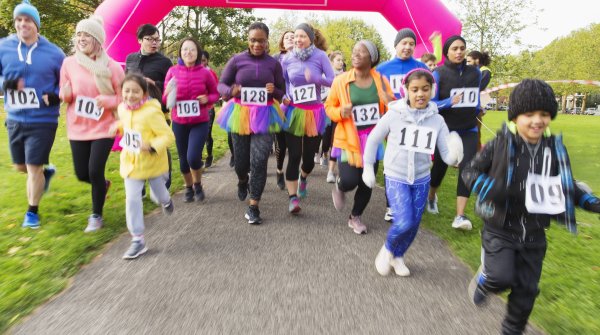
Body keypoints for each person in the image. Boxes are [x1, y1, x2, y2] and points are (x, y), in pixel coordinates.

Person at [461, 79, 600, 334]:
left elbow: (565, 184)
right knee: (500, 277)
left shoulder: (555, 150)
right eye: (530, 114)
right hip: (500, 227)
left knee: (527, 290)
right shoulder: (499, 144)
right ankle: (486, 280)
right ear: (515, 116)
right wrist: (490, 188)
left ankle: (512, 329)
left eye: (544, 114)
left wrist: (588, 201)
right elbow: (469, 171)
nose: (537, 120)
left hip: (535, 234)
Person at [362, 69, 463, 275]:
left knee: (414, 224)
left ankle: (398, 256)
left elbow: (445, 154)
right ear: (406, 91)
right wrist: (367, 168)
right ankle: (387, 250)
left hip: (421, 178)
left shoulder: (437, 120)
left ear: (432, 91)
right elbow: (373, 140)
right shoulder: (394, 115)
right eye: (415, 89)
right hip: (396, 175)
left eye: (425, 89)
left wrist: (454, 154)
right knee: (404, 220)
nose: (420, 94)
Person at [1, 0, 65, 229]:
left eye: (27, 20)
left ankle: (32, 213)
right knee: (21, 167)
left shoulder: (55, 53)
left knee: (32, 166)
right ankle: (45, 176)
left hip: (43, 120)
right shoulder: (3, 48)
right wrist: (5, 84)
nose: (22, 24)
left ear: (37, 25)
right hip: (15, 119)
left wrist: (57, 95)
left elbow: (66, 82)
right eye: (19, 20)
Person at [59, 15, 125, 232]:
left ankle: (96, 215)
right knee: (82, 173)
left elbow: (125, 97)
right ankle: (102, 186)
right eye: (78, 34)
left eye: (86, 34)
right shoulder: (69, 63)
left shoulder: (113, 67)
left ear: (97, 39)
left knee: (95, 170)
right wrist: (65, 95)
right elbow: (65, 91)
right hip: (77, 127)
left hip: (104, 127)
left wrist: (109, 101)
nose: (81, 38)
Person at [217, 22, 286, 224]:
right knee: (241, 162)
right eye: (253, 40)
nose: (257, 44)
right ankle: (242, 180)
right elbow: (222, 84)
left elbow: (282, 93)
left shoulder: (273, 64)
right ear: (248, 40)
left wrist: (275, 91)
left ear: (267, 41)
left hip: (264, 115)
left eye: (261, 41)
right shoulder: (237, 60)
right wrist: (232, 91)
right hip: (240, 114)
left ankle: (254, 205)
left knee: (259, 160)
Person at [325, 40, 394, 234]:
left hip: (373, 139)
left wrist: (389, 105)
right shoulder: (341, 81)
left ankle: (355, 217)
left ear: (371, 57)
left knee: (367, 181)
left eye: (361, 52)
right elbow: (329, 107)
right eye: (354, 51)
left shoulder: (381, 81)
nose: (355, 55)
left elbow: (392, 107)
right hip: (348, 138)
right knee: (349, 180)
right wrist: (341, 112)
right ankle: (340, 186)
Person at [111, 73, 175, 259]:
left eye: (135, 92)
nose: (130, 95)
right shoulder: (122, 108)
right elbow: (126, 125)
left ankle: (166, 201)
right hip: (131, 164)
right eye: (127, 91)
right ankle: (137, 240)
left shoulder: (151, 112)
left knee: (159, 195)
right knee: (132, 200)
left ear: (144, 94)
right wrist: (117, 127)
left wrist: (151, 146)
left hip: (153, 163)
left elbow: (168, 136)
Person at [427, 35, 481, 230]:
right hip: (445, 130)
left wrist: (478, 107)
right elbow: (431, 103)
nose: (459, 52)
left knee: (468, 170)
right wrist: (448, 102)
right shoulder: (438, 74)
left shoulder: (475, 72)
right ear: (447, 52)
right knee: (440, 167)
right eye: (455, 48)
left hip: (469, 128)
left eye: (462, 48)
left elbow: (475, 97)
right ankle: (432, 196)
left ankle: (460, 215)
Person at [281, 23, 335, 214]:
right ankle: (292, 198)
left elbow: (333, 80)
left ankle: (304, 177)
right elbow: (284, 83)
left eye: (302, 36)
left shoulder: (320, 56)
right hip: (294, 112)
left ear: (311, 38)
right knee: (294, 155)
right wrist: (284, 97)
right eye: (295, 36)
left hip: (315, 113)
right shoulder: (287, 59)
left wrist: (316, 78)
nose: (298, 40)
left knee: (309, 160)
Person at [376, 28, 428, 223]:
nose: (407, 47)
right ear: (396, 45)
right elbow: (377, 96)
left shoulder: (421, 67)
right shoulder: (383, 69)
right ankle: (392, 206)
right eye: (403, 43)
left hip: (417, 121)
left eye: (411, 44)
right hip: (393, 122)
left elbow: (430, 93)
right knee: (394, 162)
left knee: (414, 163)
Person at [163, 38, 219, 202]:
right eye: (185, 49)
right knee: (183, 160)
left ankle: (198, 184)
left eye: (192, 49)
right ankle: (188, 187)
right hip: (179, 122)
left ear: (198, 53)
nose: (188, 52)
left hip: (199, 121)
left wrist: (207, 99)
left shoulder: (205, 73)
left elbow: (215, 94)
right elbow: (165, 98)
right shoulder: (172, 71)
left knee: (193, 157)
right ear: (180, 52)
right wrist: (169, 95)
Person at [125, 23, 173, 194]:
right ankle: (139, 181)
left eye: (157, 40)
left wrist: (155, 84)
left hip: (157, 111)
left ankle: (164, 180)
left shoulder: (164, 62)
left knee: (158, 146)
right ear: (140, 40)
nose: (154, 43)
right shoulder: (130, 59)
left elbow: (171, 85)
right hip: (134, 111)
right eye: (150, 39)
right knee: (137, 145)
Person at [272, 30, 294, 190]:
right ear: (282, 42)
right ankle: (279, 170)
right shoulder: (275, 59)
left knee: (295, 144)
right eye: (287, 37)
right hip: (279, 103)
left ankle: (293, 175)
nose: (290, 39)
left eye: (293, 37)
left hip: (298, 106)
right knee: (281, 143)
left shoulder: (304, 58)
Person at [323, 50, 345, 184]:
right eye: (338, 60)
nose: (341, 62)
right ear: (331, 62)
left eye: (342, 60)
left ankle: (331, 171)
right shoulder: (325, 76)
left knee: (336, 141)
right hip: (327, 111)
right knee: (325, 141)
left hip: (340, 113)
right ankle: (323, 152)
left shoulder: (346, 76)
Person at [467, 50, 492, 151]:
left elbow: (480, 86)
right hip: (469, 103)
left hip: (479, 104)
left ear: (476, 60)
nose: (467, 63)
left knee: (476, 130)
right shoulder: (471, 71)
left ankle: (477, 155)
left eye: (469, 61)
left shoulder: (485, 71)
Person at [200, 50, 219, 168]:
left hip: (208, 108)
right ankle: (198, 158)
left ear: (207, 61)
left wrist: (208, 98)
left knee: (207, 134)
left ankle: (209, 155)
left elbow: (216, 91)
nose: (201, 63)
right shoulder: (191, 72)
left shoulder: (211, 73)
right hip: (195, 109)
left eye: (203, 60)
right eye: (199, 60)